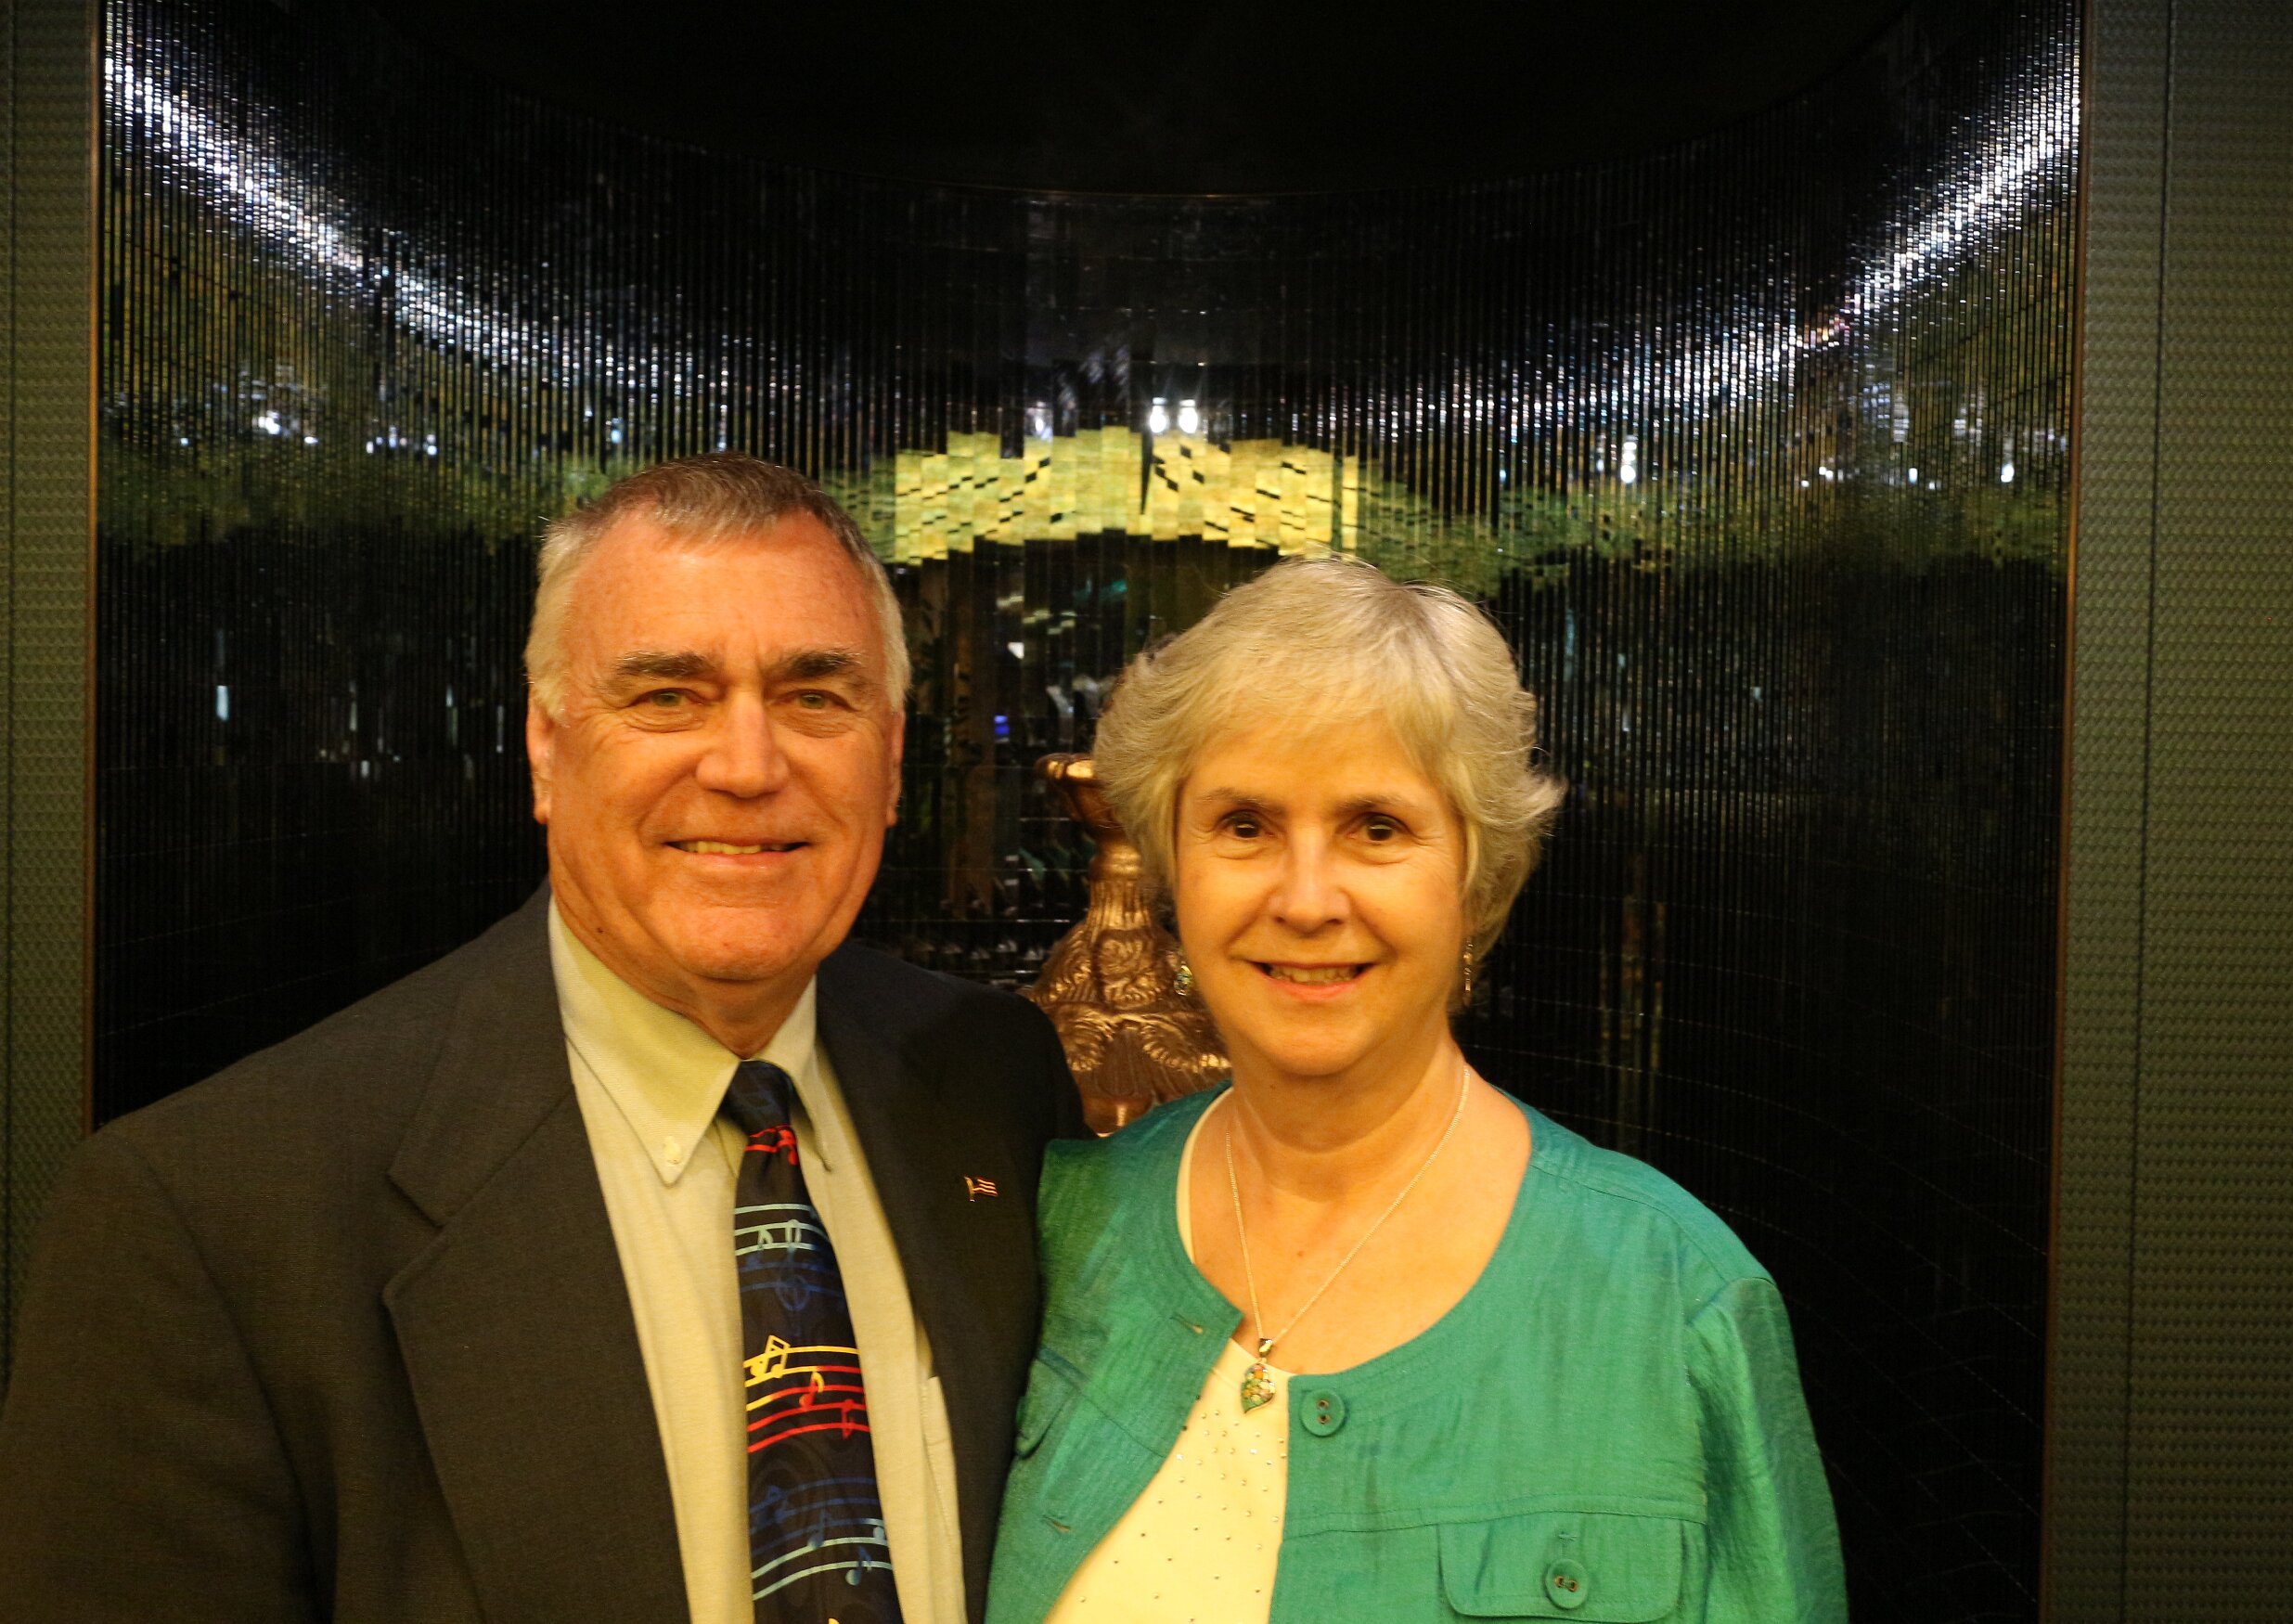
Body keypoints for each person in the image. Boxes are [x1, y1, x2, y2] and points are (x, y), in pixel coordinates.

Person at [0, 455, 1082, 1623]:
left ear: (891, 760)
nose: (748, 766)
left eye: (817, 696)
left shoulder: (994, 1080)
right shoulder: (213, 1219)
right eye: (667, 695)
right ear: (547, 750)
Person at [986, 559, 1845, 1622]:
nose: (1307, 899)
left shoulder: (1675, 1299)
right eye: (1245, 825)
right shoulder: (1059, 1229)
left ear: (1474, 876)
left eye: (1377, 827)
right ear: (1172, 866)